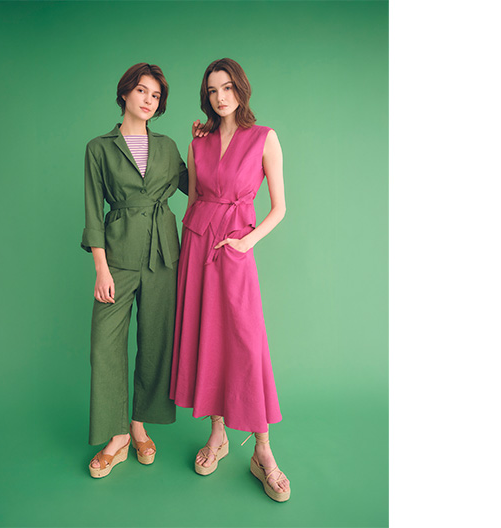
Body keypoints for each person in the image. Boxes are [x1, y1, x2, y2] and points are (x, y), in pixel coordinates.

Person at [170, 58, 291, 501]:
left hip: (235, 249)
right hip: (196, 246)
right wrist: (182, 255)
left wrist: (247, 242)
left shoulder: (264, 138)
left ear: (241, 89)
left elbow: (279, 207)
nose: (220, 97)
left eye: (227, 87)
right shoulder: (197, 142)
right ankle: (217, 434)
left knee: (245, 341)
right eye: (212, 90)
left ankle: (263, 450)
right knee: (208, 337)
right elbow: (193, 201)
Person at [82, 63, 188, 478]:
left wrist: (206, 145)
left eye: (156, 95)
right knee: (105, 346)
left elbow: (198, 186)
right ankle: (117, 435)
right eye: (142, 91)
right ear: (125, 93)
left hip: (163, 255)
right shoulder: (99, 148)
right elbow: (93, 211)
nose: (148, 100)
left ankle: (139, 425)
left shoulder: (168, 146)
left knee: (157, 341)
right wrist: (101, 268)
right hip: (117, 257)